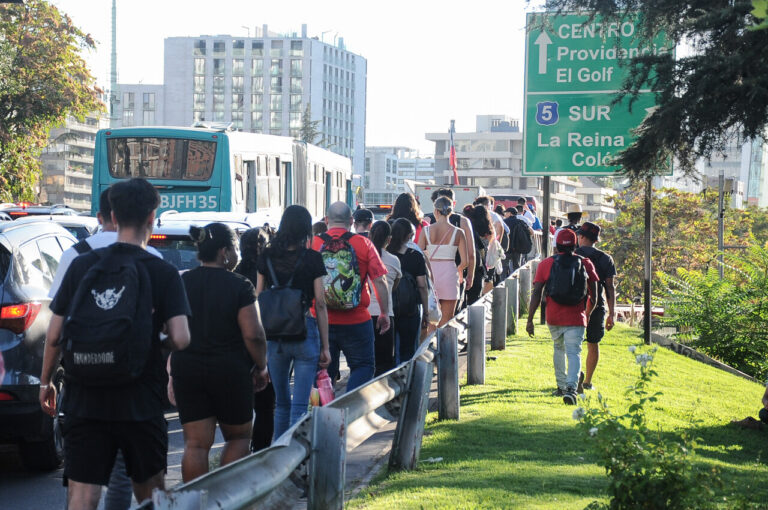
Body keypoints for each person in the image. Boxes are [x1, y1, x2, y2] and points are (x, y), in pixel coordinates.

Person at [39, 178, 191, 510]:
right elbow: (180, 337)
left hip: (84, 396)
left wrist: (46, 380)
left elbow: (54, 334)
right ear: (152, 217)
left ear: (112, 216)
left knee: (83, 494)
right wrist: (151, 338)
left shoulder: (81, 264)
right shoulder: (161, 270)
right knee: (151, 494)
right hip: (140, 400)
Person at [171, 223, 269, 482]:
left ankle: (193, 503)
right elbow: (254, 334)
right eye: (235, 248)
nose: (237, 253)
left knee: (195, 445)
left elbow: (171, 332)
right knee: (238, 438)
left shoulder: (182, 281)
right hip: (229, 371)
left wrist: (172, 372)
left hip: (188, 369)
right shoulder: (240, 285)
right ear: (224, 251)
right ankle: (224, 500)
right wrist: (261, 365)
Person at [257, 205, 331, 438]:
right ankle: (296, 460)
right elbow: (320, 303)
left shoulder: (266, 256)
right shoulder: (312, 258)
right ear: (305, 230)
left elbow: (258, 297)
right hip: (304, 331)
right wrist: (326, 346)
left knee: (281, 404)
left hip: (274, 335)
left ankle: (278, 458)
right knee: (300, 406)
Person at [313, 202, 390, 392]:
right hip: (357, 320)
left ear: (326, 220)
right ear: (350, 221)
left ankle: (323, 414)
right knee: (363, 366)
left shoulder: (314, 244)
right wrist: (384, 312)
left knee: (322, 371)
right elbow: (380, 281)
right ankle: (349, 410)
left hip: (320, 319)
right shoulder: (363, 243)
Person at [525, 229, 599, 405]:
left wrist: (530, 320)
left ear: (556, 246)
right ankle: (572, 389)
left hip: (554, 316)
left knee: (558, 349)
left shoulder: (546, 264)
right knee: (574, 352)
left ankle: (561, 387)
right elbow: (594, 296)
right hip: (576, 316)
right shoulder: (586, 263)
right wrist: (586, 313)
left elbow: (536, 293)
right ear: (575, 245)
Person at [235, 226, 277, 452]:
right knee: (266, 406)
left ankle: (239, 451)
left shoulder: (236, 274)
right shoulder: (270, 275)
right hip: (266, 344)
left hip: (238, 348)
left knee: (240, 407)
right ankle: (261, 450)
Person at [575, 222, 616, 391]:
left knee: (572, 343)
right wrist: (612, 314)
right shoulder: (606, 258)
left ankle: (574, 376)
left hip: (575, 305)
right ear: (596, 240)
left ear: (582, 237)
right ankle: (587, 381)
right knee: (593, 342)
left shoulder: (572, 254)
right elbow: (610, 287)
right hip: (597, 305)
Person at [424, 188, 476, 312]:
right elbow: (471, 253)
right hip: (454, 274)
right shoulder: (462, 221)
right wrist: (470, 275)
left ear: (435, 205)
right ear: (453, 204)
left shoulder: (427, 221)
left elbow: (420, 252)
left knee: (431, 315)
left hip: (430, 274)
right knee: (451, 316)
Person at [418, 197, 467, 326]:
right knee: (446, 319)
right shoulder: (459, 232)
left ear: (436, 211)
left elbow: (419, 254)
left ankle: (429, 344)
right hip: (450, 274)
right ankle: (443, 344)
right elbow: (465, 261)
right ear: (451, 211)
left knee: (430, 318)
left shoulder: (426, 230)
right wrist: (460, 270)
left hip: (430, 273)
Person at [388, 218, 429, 362]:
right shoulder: (415, 256)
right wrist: (426, 311)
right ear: (409, 236)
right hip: (410, 308)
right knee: (409, 348)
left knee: (390, 349)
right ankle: (406, 379)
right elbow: (422, 285)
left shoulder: (385, 254)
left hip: (387, 308)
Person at [368, 221, 401, 375]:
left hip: (365, 313)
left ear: (370, 235)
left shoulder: (363, 256)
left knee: (366, 360)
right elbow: (394, 286)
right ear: (389, 239)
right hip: (386, 313)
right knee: (385, 362)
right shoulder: (394, 260)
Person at [464, 205, 494, 306]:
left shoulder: (468, 226)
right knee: (475, 298)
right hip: (480, 264)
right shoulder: (488, 230)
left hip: (466, 261)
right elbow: (487, 246)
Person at [503, 206, 534, 272]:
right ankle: (515, 281)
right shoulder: (520, 222)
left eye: (506, 213)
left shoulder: (504, 222)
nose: (505, 214)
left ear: (510, 213)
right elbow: (531, 232)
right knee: (516, 267)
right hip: (517, 249)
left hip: (506, 248)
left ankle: (503, 281)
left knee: (504, 268)